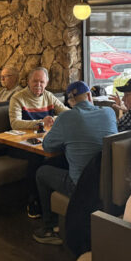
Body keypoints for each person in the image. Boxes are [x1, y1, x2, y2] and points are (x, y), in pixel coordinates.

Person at [33, 81, 117, 245]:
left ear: (70, 102)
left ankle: (49, 227)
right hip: (108, 183)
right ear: (89, 96)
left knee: (42, 172)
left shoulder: (67, 117)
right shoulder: (109, 112)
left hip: (80, 186)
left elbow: (47, 145)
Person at [8, 67, 68, 218]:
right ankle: (33, 201)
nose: (38, 85)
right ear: (28, 81)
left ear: (47, 83)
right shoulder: (18, 97)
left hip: (41, 142)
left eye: (42, 81)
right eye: (35, 81)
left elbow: (66, 112)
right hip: (18, 143)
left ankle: (49, 202)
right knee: (36, 158)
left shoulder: (49, 96)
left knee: (60, 155)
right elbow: (15, 123)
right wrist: (40, 122)